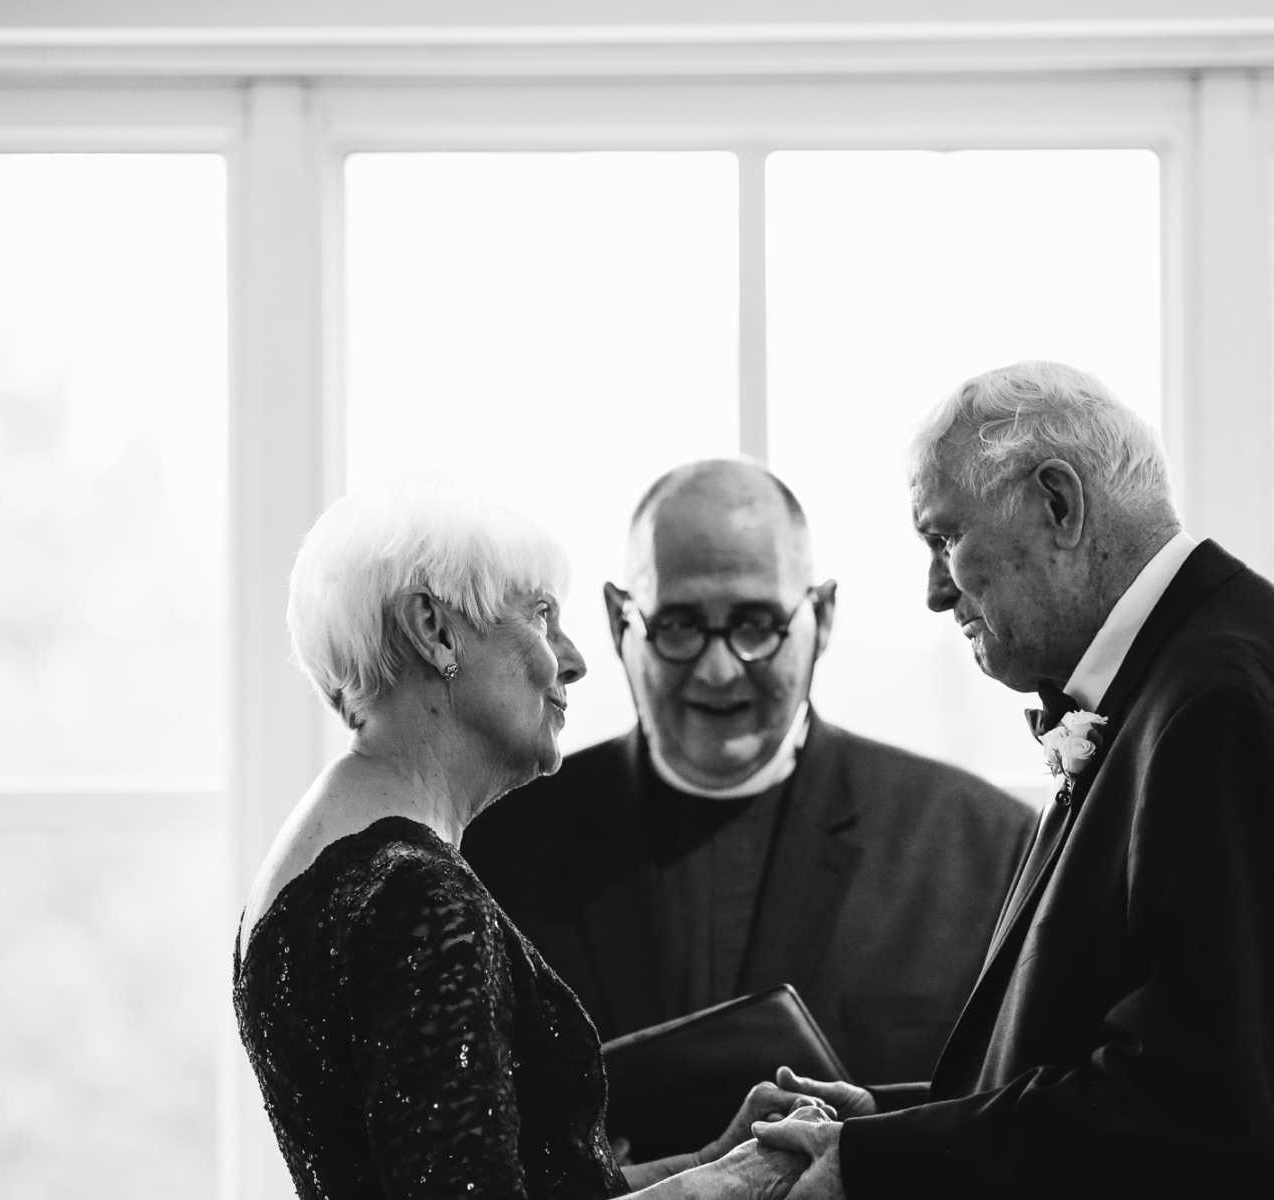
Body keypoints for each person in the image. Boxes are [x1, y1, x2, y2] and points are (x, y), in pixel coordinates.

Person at [753, 361, 1274, 1199]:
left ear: (1059, 504)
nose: (931, 591)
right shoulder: (1190, 677)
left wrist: (878, 1167)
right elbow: (1120, 1058)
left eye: (944, 539)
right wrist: (877, 1126)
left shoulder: (1225, 706)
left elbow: (1200, 1113)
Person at [232, 483, 829, 1200]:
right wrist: (740, 1182)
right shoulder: (417, 894)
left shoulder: (312, 863)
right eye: (542, 615)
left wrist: (709, 1157)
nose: (572, 659)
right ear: (435, 630)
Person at [462, 461, 1036, 1109]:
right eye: (677, 625)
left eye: (755, 624)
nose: (717, 670)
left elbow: (1011, 1120)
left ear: (821, 617)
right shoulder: (492, 846)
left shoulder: (985, 850)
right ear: (621, 622)